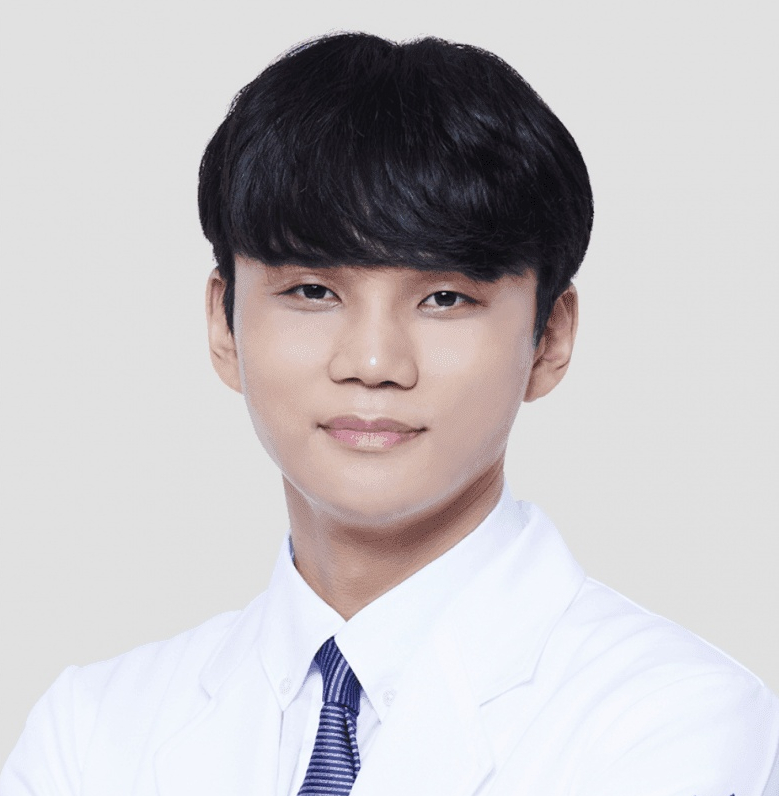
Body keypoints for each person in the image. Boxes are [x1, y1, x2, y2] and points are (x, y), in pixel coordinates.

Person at [2, 31, 777, 796]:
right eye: (312, 291)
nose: (372, 363)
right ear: (223, 323)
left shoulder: (678, 722)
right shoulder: (92, 731)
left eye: (444, 298)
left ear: (549, 337)